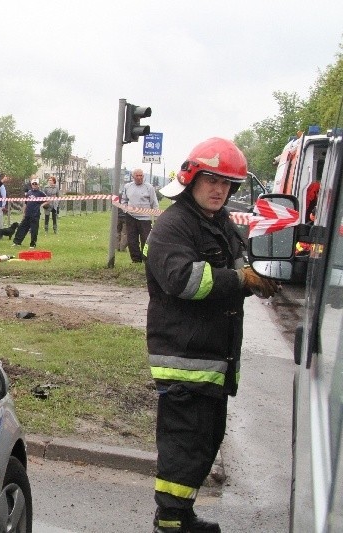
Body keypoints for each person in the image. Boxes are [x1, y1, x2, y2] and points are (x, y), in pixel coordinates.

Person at [145, 137, 279, 533]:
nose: (220, 190)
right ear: (192, 179)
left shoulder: (218, 223)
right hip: (185, 360)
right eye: (212, 181)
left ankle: (182, 515)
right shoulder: (173, 225)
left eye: (227, 184)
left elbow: (240, 265)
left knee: (205, 441)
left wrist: (256, 276)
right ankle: (169, 523)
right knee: (185, 445)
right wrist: (239, 279)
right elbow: (185, 280)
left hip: (213, 359)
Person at [121, 168, 159, 262]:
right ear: (133, 177)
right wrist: (125, 209)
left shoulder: (149, 187)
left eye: (141, 175)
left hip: (145, 218)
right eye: (137, 176)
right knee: (132, 240)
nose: (139, 178)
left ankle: (146, 259)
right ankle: (136, 260)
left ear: (143, 176)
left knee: (146, 240)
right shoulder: (127, 187)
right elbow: (124, 200)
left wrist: (156, 217)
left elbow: (154, 203)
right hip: (131, 217)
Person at [12, 176, 47, 248]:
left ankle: (32, 244)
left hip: (35, 214)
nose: (34, 185)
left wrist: (41, 205)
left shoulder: (40, 193)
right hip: (27, 213)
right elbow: (26, 203)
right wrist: (24, 211)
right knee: (22, 227)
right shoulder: (29, 192)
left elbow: (48, 200)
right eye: (33, 184)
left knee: (34, 230)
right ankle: (17, 242)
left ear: (38, 185)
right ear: (31, 184)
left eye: (36, 183)